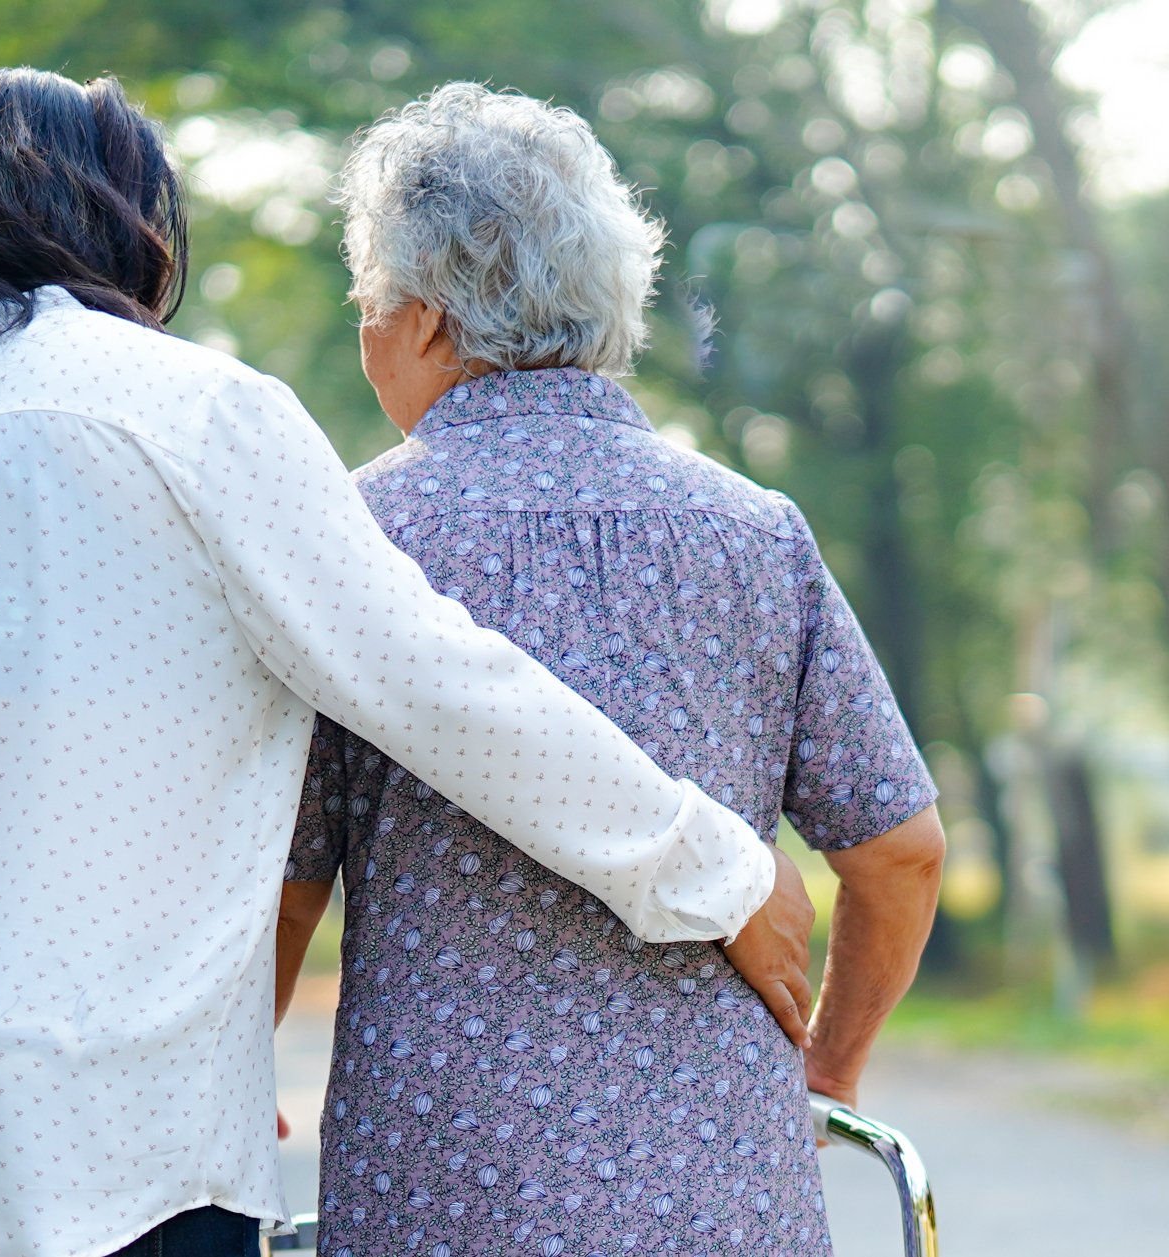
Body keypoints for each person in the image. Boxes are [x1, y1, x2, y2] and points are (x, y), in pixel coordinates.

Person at [0, 68, 804, 1257]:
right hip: (94, 1144)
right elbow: (438, 685)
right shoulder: (184, 413)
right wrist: (717, 870)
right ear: (115, 219)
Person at [275, 84, 948, 1257]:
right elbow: (899, 853)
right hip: (729, 1194)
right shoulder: (755, 534)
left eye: (368, 305)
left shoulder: (346, 543)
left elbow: (282, 883)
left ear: (427, 320)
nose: (365, 333)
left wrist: (230, 1099)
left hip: (445, 1195)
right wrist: (822, 1072)